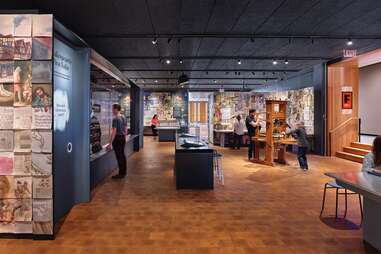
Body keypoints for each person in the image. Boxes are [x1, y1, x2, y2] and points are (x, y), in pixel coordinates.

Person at [107, 104, 128, 179]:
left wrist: (110, 143)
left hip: (117, 139)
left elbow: (114, 131)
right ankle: (124, 172)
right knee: (122, 155)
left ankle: (121, 174)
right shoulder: (123, 117)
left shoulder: (115, 119)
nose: (112, 111)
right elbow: (126, 130)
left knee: (119, 156)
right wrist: (124, 137)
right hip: (122, 138)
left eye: (112, 109)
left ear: (116, 109)